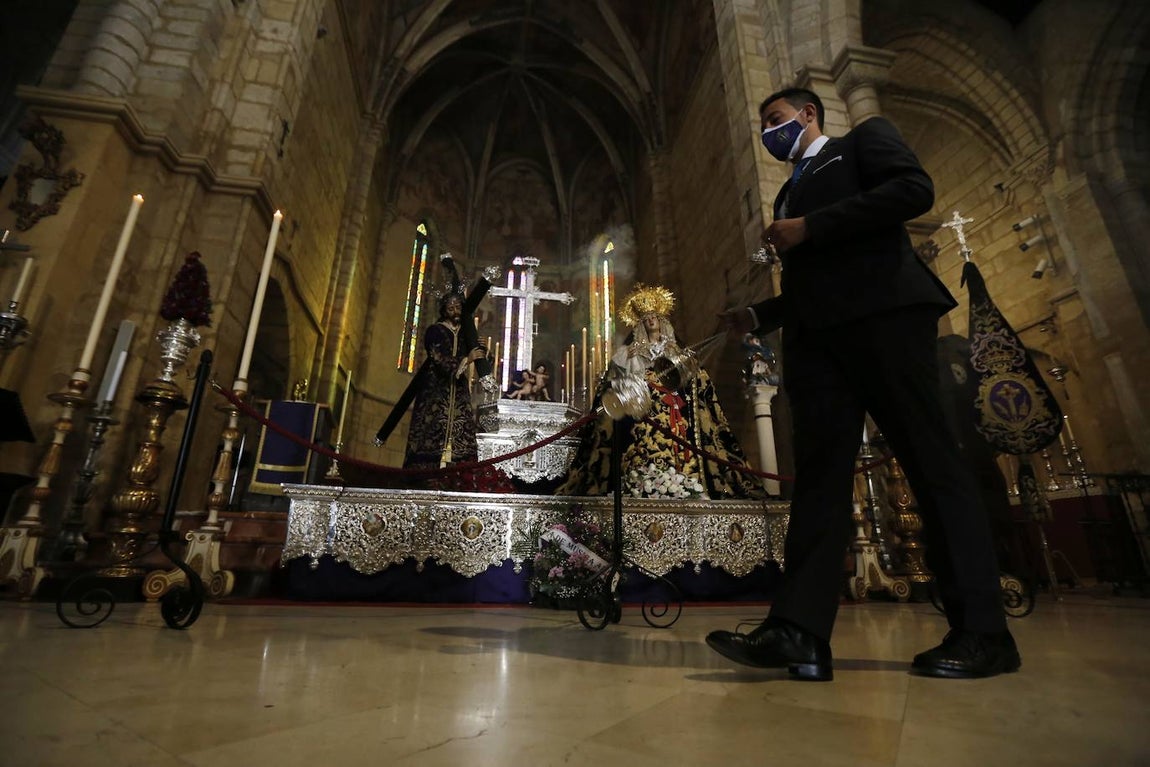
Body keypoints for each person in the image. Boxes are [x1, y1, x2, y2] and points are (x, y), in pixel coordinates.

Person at [706, 88, 1018, 681]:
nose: (769, 131)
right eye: (764, 124)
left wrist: (811, 226)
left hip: (885, 320)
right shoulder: (787, 191)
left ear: (809, 114)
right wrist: (759, 316)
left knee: (931, 463)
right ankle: (799, 632)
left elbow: (912, 190)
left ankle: (983, 631)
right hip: (818, 343)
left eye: (776, 119)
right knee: (819, 481)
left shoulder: (860, 142)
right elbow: (816, 278)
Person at [556, 284, 763, 500]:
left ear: (662, 320)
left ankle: (684, 481)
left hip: (674, 411)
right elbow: (616, 383)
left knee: (680, 441)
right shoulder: (628, 353)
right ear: (640, 324)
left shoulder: (676, 351)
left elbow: (692, 379)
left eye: (654, 316)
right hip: (643, 412)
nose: (651, 320)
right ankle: (642, 479)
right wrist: (633, 370)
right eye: (646, 318)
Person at [403, 291, 486, 469]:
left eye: (458, 307)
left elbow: (477, 356)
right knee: (431, 429)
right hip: (436, 388)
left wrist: (481, 349)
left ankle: (460, 474)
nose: (455, 311)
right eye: (450, 308)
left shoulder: (465, 333)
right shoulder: (434, 331)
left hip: (459, 390)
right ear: (444, 310)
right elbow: (437, 357)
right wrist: (466, 360)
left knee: (462, 430)